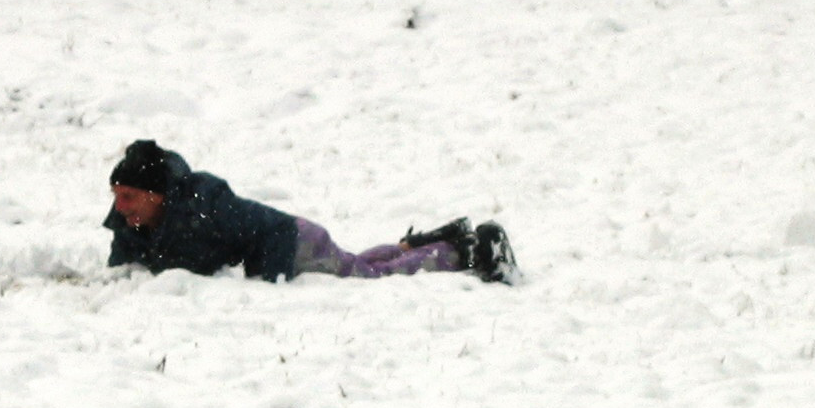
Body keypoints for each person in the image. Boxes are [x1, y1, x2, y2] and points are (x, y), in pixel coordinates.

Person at [103, 140, 515, 284]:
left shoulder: (205, 203)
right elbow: (123, 268)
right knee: (357, 264)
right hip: (295, 241)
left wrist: (270, 285)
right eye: (117, 196)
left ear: (157, 195)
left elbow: (271, 231)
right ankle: (425, 242)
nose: (121, 208)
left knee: (368, 278)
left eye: (129, 197)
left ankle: (465, 252)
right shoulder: (132, 221)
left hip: (296, 242)